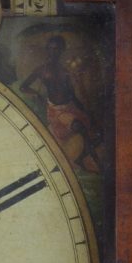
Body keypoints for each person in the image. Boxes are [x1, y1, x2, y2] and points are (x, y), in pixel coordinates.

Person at [20, 35, 101, 173]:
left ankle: (83, 159)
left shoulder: (65, 71)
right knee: (80, 127)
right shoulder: (41, 70)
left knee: (96, 132)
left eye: (57, 49)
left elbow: (72, 95)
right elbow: (23, 86)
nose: (54, 52)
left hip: (70, 108)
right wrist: (36, 94)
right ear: (47, 50)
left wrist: (85, 111)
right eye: (51, 48)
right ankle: (97, 163)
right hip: (56, 111)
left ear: (62, 50)